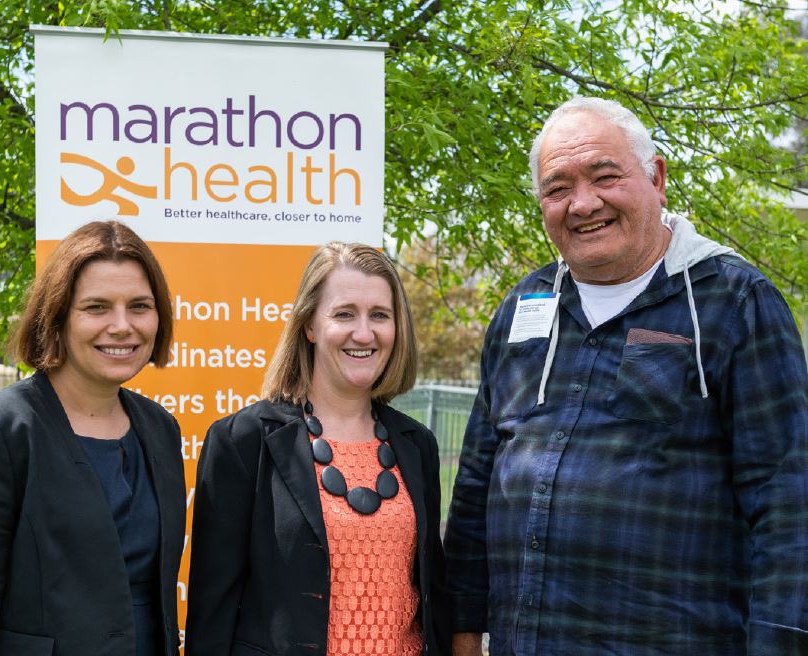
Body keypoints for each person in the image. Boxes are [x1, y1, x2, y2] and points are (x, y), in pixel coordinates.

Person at [444, 97, 808, 655]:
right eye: (558, 188)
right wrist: (461, 632)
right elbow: (475, 485)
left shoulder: (734, 302)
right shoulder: (525, 305)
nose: (583, 203)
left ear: (657, 177)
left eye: (604, 177)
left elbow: (786, 500)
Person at [186, 242, 450, 656]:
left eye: (379, 315)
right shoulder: (242, 442)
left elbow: (434, 595)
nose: (364, 333)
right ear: (309, 325)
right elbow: (212, 614)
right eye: (344, 314)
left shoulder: (418, 446)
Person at [0, 221, 186, 655]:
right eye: (96, 307)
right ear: (57, 316)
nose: (122, 326)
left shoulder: (160, 429)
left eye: (139, 306)